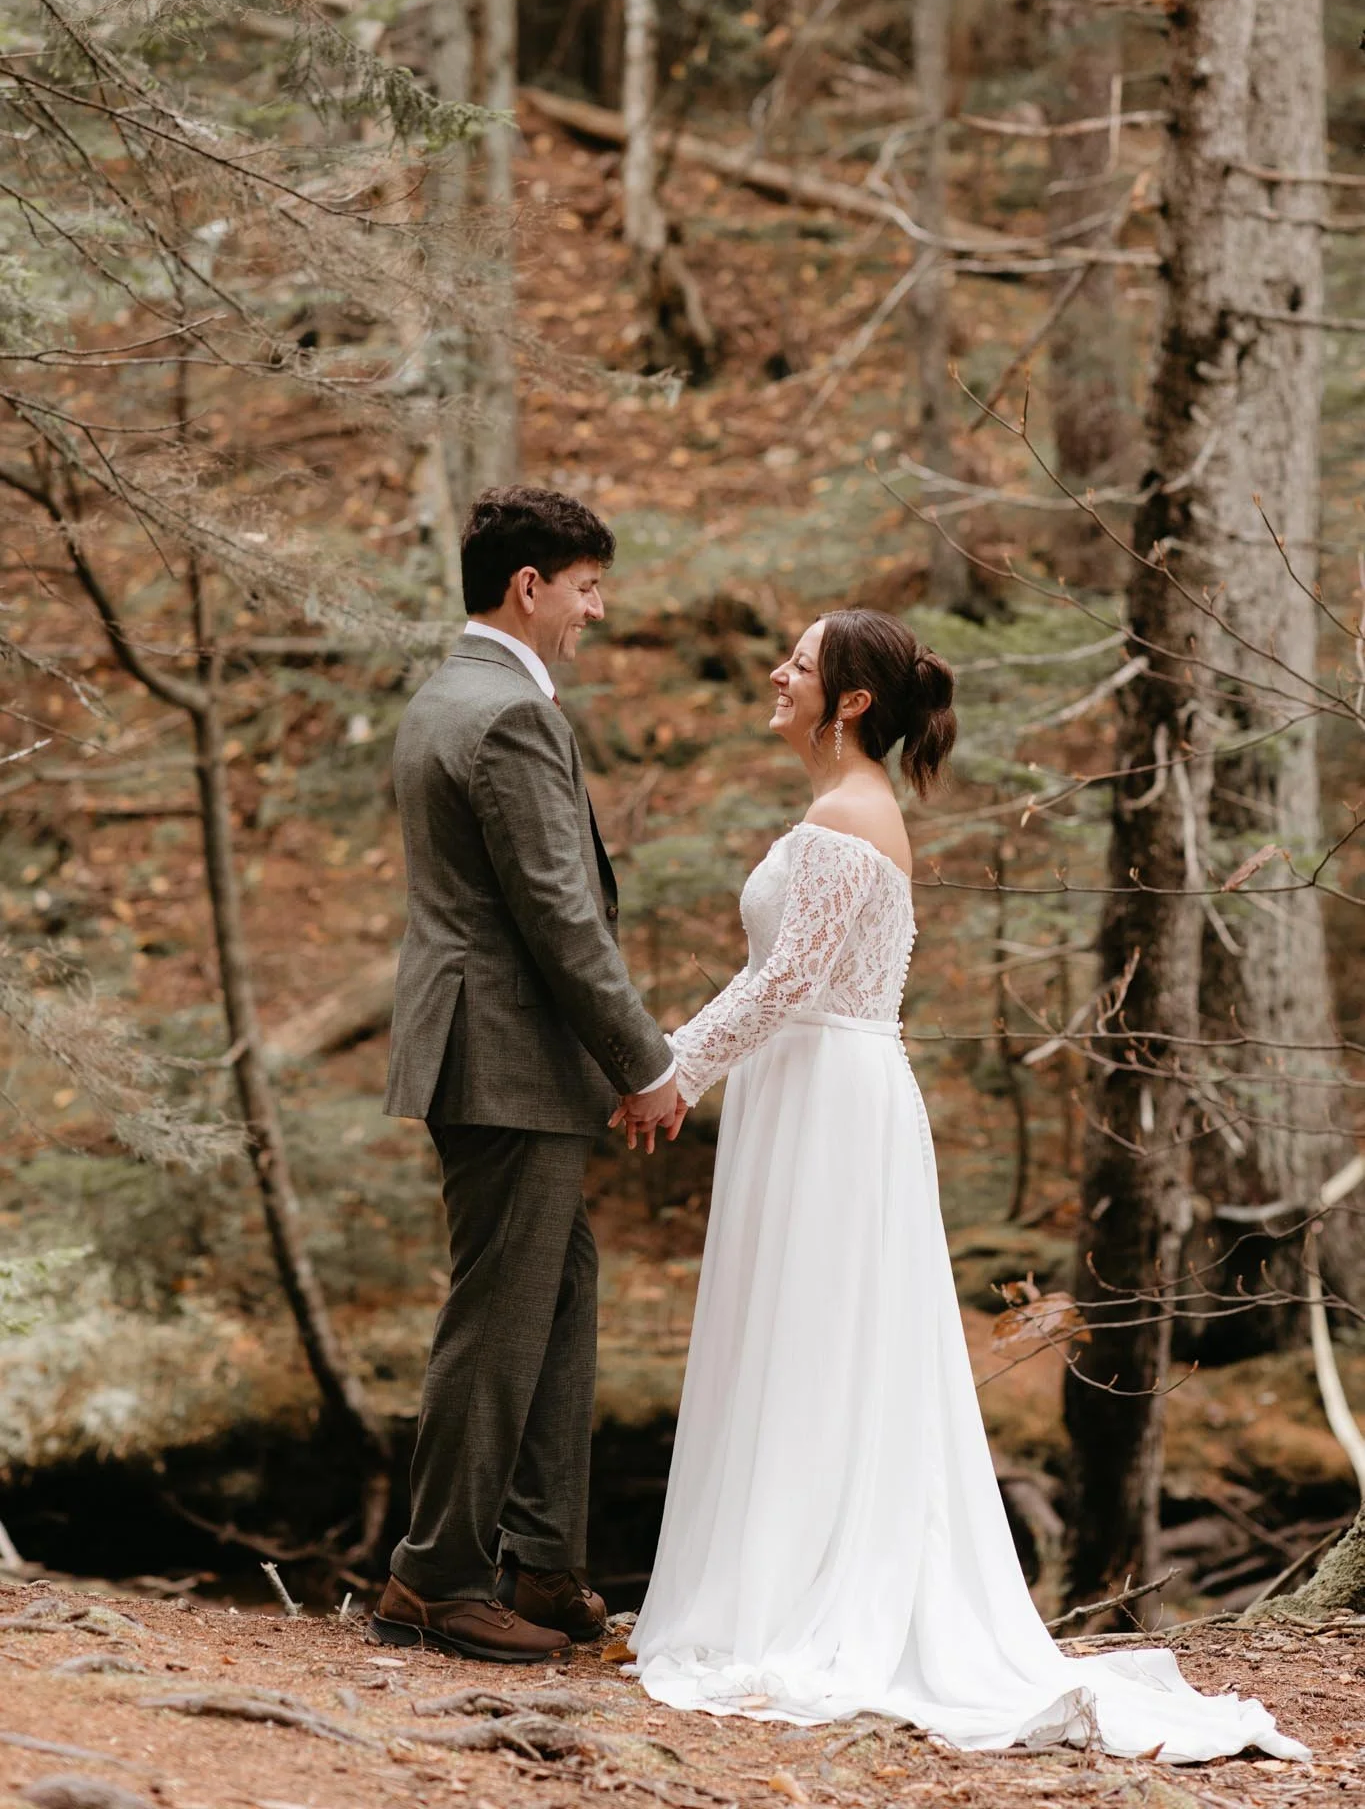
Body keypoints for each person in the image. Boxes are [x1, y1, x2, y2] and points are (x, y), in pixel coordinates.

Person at [627, 607, 1307, 1763]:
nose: (780, 671)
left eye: (801, 659)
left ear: (851, 701)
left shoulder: (848, 820)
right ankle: (771, 1572)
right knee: (794, 1335)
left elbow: (787, 981)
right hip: (814, 1091)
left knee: (821, 1338)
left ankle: (805, 1595)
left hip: (831, 1104)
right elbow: (775, 977)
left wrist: (671, 1072)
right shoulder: (839, 810)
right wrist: (676, 1061)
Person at [374, 486, 685, 1664]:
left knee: (559, 1293)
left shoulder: (449, 694)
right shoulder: (506, 713)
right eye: (589, 586)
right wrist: (644, 1058)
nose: (596, 609)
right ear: (530, 586)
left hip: (492, 1049)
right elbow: (558, 911)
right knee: (499, 1316)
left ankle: (544, 1559)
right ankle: (438, 1575)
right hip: (504, 1053)